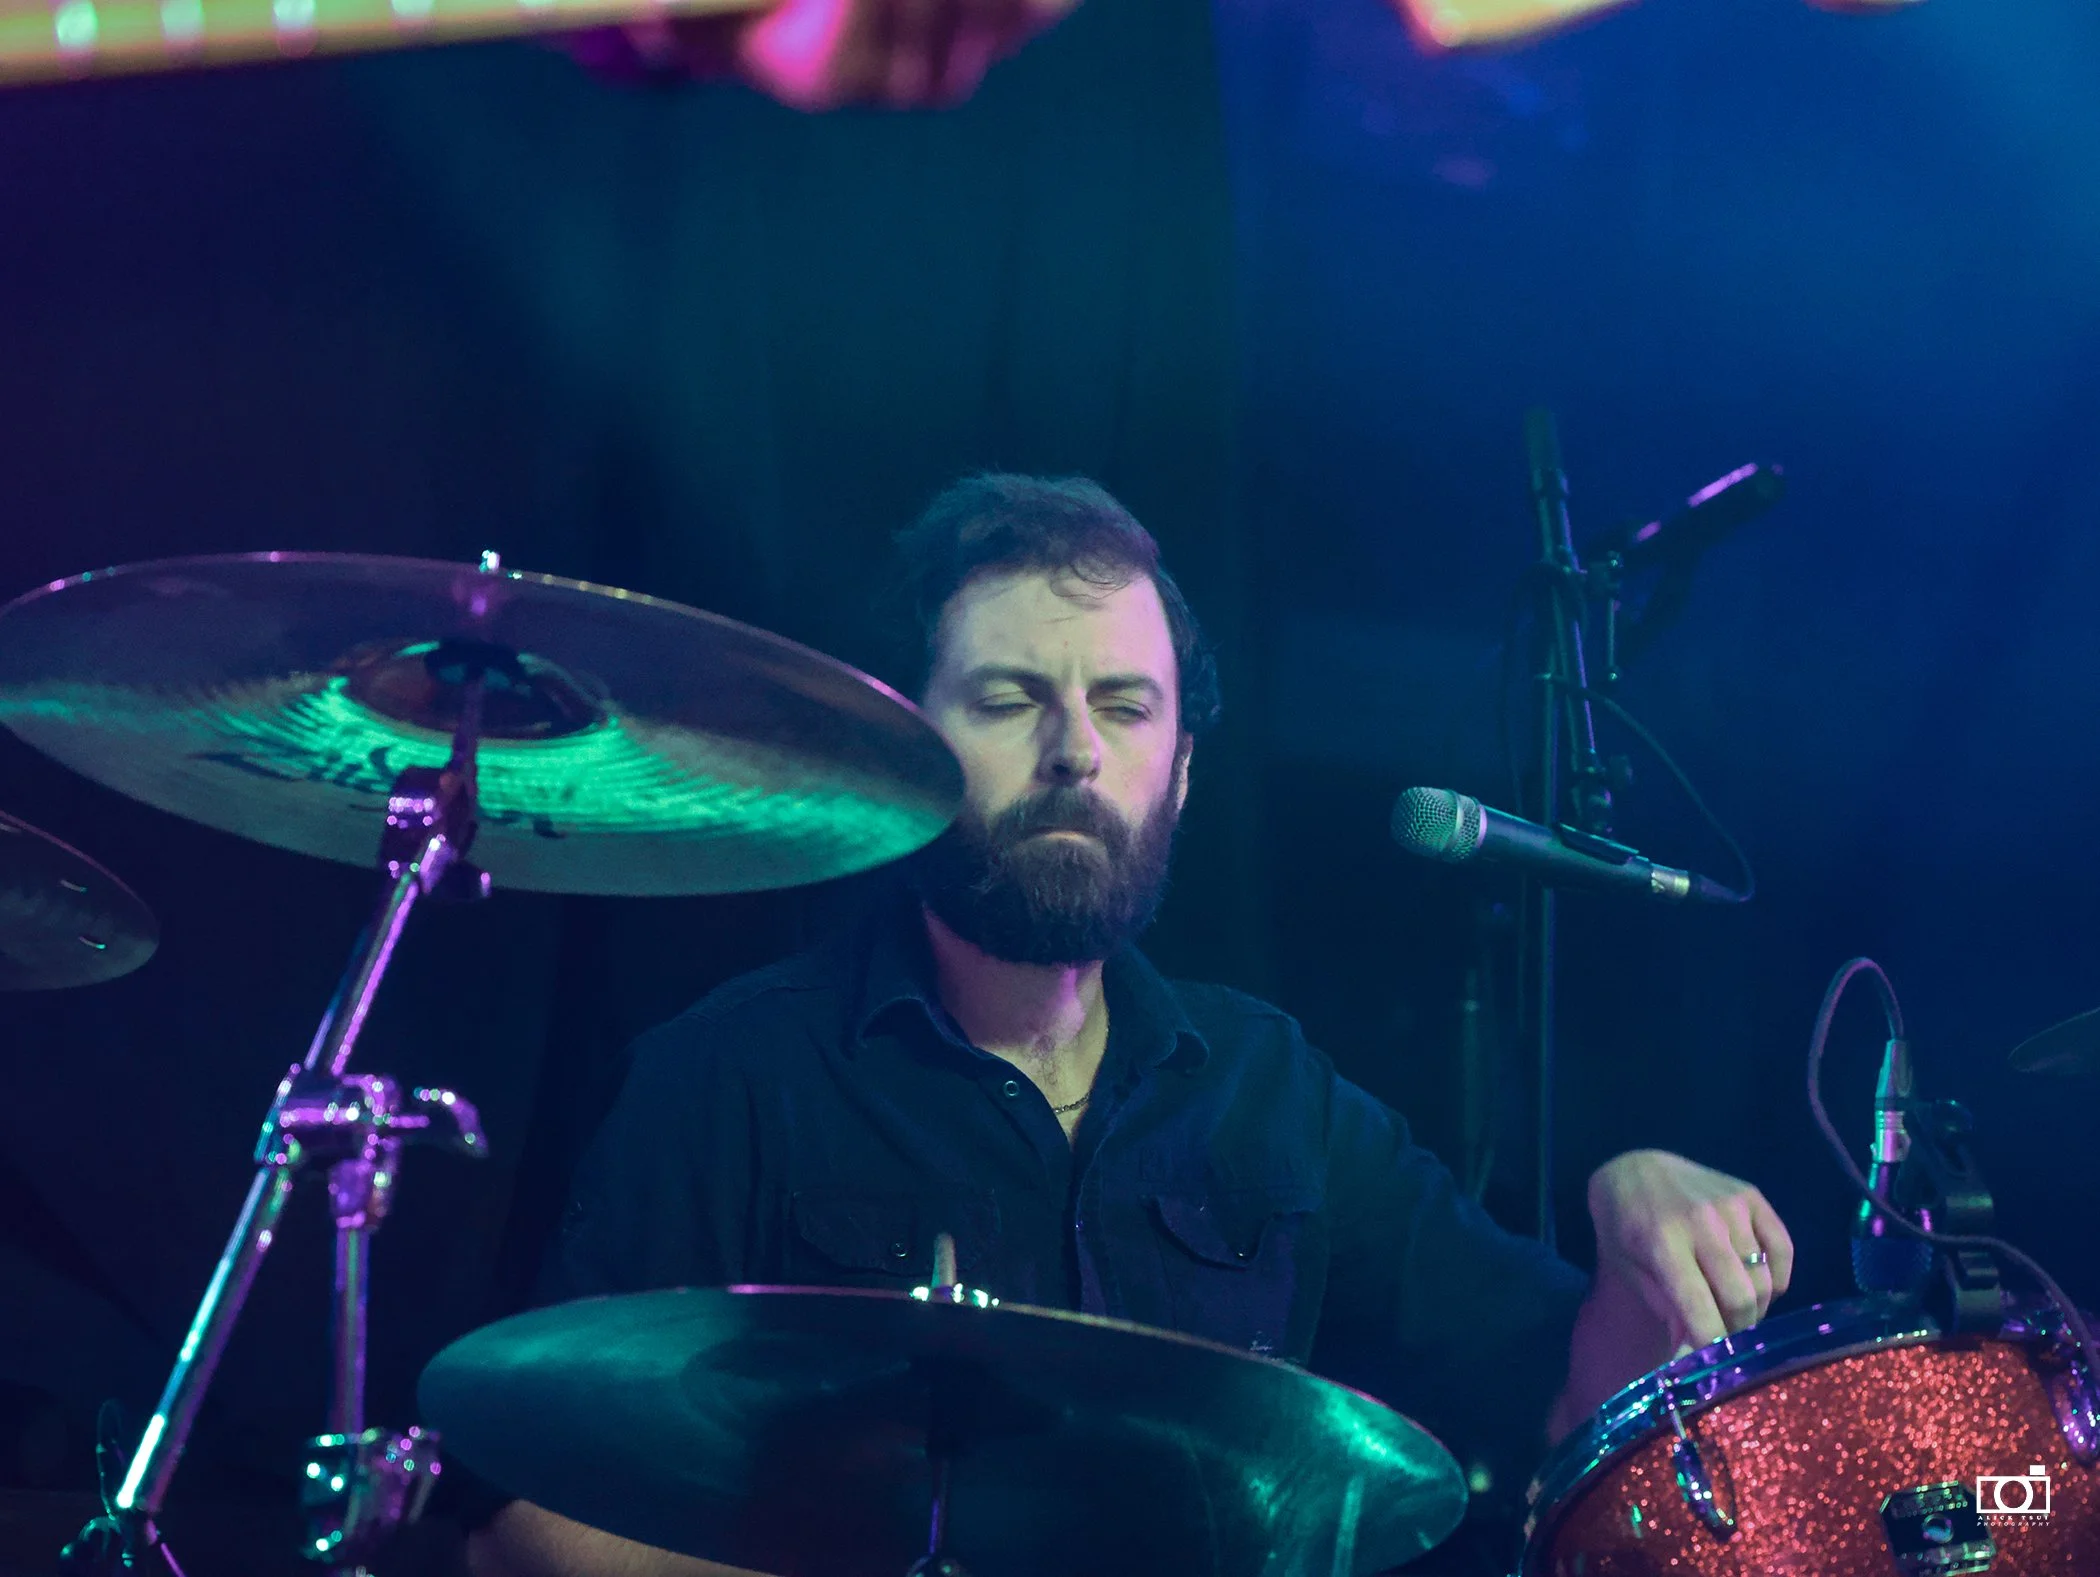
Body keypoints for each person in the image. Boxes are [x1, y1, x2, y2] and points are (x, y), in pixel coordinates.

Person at [466, 473, 1795, 1577]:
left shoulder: (1273, 1090)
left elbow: (1569, 1401)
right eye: (1009, 701)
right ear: (908, 738)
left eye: (1123, 704)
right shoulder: (730, 1077)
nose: (1075, 751)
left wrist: (1633, 1211)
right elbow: (526, 1521)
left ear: (1183, 769)